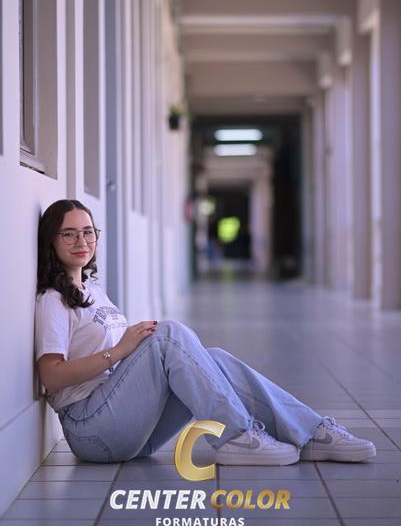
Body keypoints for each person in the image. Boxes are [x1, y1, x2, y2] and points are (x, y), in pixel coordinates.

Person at [35, 199, 376, 465]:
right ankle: (236, 437)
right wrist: (120, 351)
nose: (82, 240)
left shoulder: (93, 290)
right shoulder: (53, 300)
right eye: (69, 233)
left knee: (213, 359)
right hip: (91, 431)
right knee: (169, 334)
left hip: (131, 430)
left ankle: (310, 433)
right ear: (52, 240)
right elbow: (51, 375)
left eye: (88, 231)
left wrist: (130, 352)